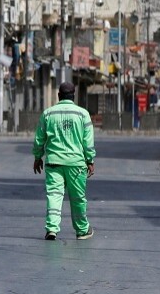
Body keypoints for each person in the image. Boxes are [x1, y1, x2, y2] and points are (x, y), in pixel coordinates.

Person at [33, 81, 96, 241]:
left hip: (54, 163)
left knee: (54, 195)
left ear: (59, 95)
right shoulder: (83, 114)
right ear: (73, 96)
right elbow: (88, 142)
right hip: (76, 165)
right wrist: (90, 160)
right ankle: (82, 230)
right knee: (78, 198)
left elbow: (39, 139)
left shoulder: (48, 114)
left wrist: (37, 157)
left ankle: (51, 228)